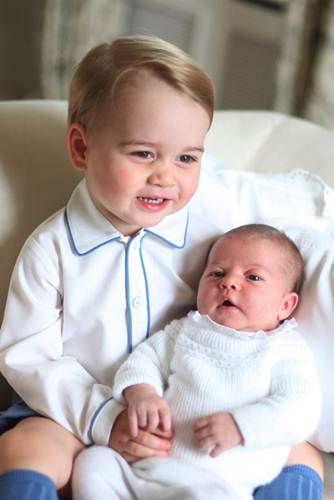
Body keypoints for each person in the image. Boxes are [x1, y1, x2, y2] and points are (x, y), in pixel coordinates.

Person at [0, 36, 323, 500]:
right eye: (143, 154)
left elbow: (293, 203)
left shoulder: (215, 221)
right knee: (27, 447)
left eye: (187, 157)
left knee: (299, 452)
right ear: (81, 147)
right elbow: (29, 358)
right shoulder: (52, 249)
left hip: (197, 411)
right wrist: (104, 419)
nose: (166, 176)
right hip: (76, 412)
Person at [71, 224, 321, 500]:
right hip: (146, 470)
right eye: (217, 273)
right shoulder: (185, 330)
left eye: (253, 277)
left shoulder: (284, 349)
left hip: (219, 485)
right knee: (93, 463)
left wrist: (241, 426)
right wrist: (142, 392)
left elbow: (301, 409)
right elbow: (145, 359)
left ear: (285, 305)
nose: (229, 283)